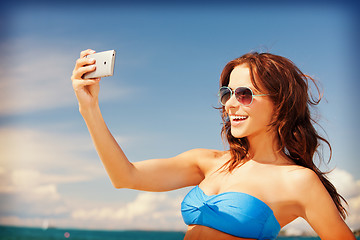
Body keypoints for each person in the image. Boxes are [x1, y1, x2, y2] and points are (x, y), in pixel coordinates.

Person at [71, 49, 356, 240]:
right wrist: (89, 109)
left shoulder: (299, 181)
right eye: (227, 93)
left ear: (280, 103)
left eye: (244, 94)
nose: (231, 103)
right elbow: (125, 176)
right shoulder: (207, 161)